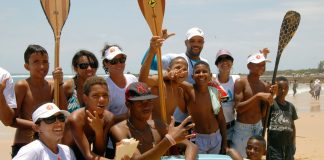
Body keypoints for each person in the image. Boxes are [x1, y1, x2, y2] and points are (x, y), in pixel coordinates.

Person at [110, 82, 197, 159]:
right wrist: (169, 140)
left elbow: (191, 146)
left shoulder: (158, 126)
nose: (146, 105)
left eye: (149, 100)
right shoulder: (119, 130)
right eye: (140, 102)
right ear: (128, 105)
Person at [11, 44, 67, 158]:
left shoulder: (52, 85)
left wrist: (59, 83)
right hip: (24, 143)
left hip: (47, 145)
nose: (42, 66)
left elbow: (63, 110)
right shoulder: (22, 86)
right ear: (27, 66)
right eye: (36, 62)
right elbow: (11, 120)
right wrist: (36, 125)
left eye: (45, 62)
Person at [142, 27, 208, 125]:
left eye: (200, 41)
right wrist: (155, 46)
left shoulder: (205, 62)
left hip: (193, 117)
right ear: (186, 43)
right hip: (174, 118)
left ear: (203, 43)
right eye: (192, 41)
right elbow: (146, 62)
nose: (196, 44)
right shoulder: (174, 58)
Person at [232, 49, 274, 157]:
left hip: (258, 126)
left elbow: (263, 113)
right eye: (257, 65)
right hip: (243, 128)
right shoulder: (241, 82)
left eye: (263, 65)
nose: (261, 67)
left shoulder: (264, 85)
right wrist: (258, 96)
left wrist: (270, 96)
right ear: (249, 66)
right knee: (241, 157)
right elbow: (238, 108)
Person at [179, 61, 227, 154]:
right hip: (198, 138)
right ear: (192, 76)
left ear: (210, 75)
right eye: (197, 72)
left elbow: (221, 119)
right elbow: (175, 80)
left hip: (216, 137)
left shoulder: (214, 92)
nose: (201, 74)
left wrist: (224, 143)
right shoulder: (189, 90)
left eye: (204, 71)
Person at [62, 76, 115, 160]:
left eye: (105, 95)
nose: (101, 99)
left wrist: (99, 132)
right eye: (95, 96)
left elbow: (100, 152)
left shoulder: (109, 118)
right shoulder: (76, 119)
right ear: (85, 98)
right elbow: (88, 155)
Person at [139, 36, 188, 124]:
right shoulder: (160, 83)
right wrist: (152, 51)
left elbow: (185, 110)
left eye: (185, 69)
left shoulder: (179, 91)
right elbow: (142, 81)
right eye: (178, 68)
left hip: (167, 129)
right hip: (153, 130)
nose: (181, 71)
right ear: (169, 70)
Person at [101, 44, 138, 158]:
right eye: (114, 61)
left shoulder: (132, 79)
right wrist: (128, 115)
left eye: (122, 60)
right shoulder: (104, 86)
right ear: (106, 64)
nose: (119, 64)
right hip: (114, 141)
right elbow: (104, 119)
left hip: (135, 134)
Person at [212, 49, 240, 146]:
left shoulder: (236, 80)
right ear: (216, 64)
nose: (224, 62)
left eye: (228, 59)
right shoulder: (211, 79)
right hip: (215, 128)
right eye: (220, 59)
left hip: (231, 127)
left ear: (232, 63)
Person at [267, 76, 298, 160]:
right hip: (274, 146)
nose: (283, 91)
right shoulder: (271, 104)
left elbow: (293, 126)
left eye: (286, 88)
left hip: (288, 145)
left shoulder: (291, 106)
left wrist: (294, 142)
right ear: (275, 88)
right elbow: (264, 123)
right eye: (280, 88)